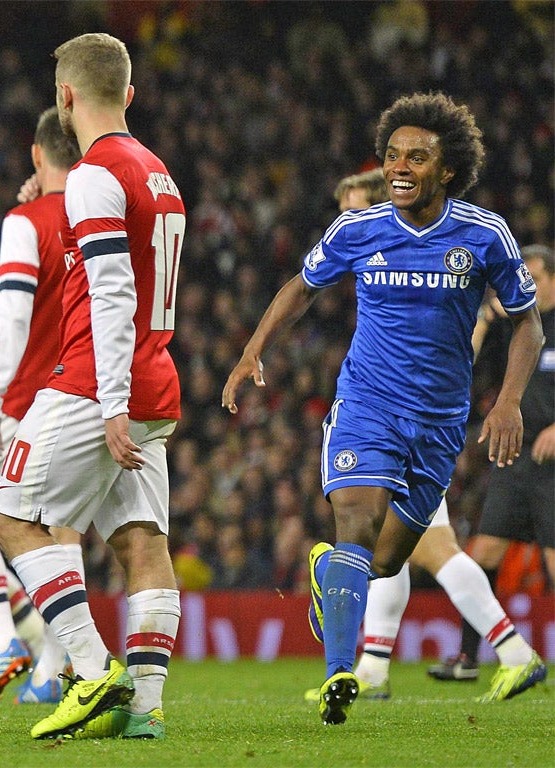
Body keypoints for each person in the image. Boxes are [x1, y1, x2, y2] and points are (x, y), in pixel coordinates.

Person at [223, 92, 545, 726]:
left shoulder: (483, 235)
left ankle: (330, 577)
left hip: (441, 420)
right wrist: (250, 351)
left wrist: (507, 402)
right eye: (393, 154)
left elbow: (528, 326)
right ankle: (341, 674)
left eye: (416, 157)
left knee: (388, 560)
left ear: (447, 169)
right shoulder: (357, 230)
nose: (399, 167)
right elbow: (301, 289)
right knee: (356, 520)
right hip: (368, 403)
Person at [0, 32, 185, 741]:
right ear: (128, 94)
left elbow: (110, 292)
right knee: (141, 540)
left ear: (64, 98)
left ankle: (93, 668)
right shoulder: (158, 173)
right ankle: (147, 709)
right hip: (156, 383)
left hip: (96, 384)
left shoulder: (93, 175)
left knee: (11, 517)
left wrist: (109, 404)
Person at [295, 171, 543, 702]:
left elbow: (467, 342)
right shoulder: (375, 255)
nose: (347, 221)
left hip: (426, 423)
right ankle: (375, 667)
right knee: (394, 556)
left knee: (432, 550)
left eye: (353, 207)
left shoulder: (440, 253)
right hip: (390, 417)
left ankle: (514, 651)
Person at [0, 107, 82, 706]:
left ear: (36, 155)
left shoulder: (24, 221)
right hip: (83, 396)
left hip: (20, 398)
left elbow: (11, 316)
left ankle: (8, 639)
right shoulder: (102, 217)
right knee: (62, 528)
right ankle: (54, 668)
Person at [429, 243, 554, 685]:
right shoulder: (515, 325)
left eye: (536, 279)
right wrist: (484, 317)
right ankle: (467, 657)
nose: (528, 287)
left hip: (554, 470)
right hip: (514, 459)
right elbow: (463, 354)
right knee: (482, 554)